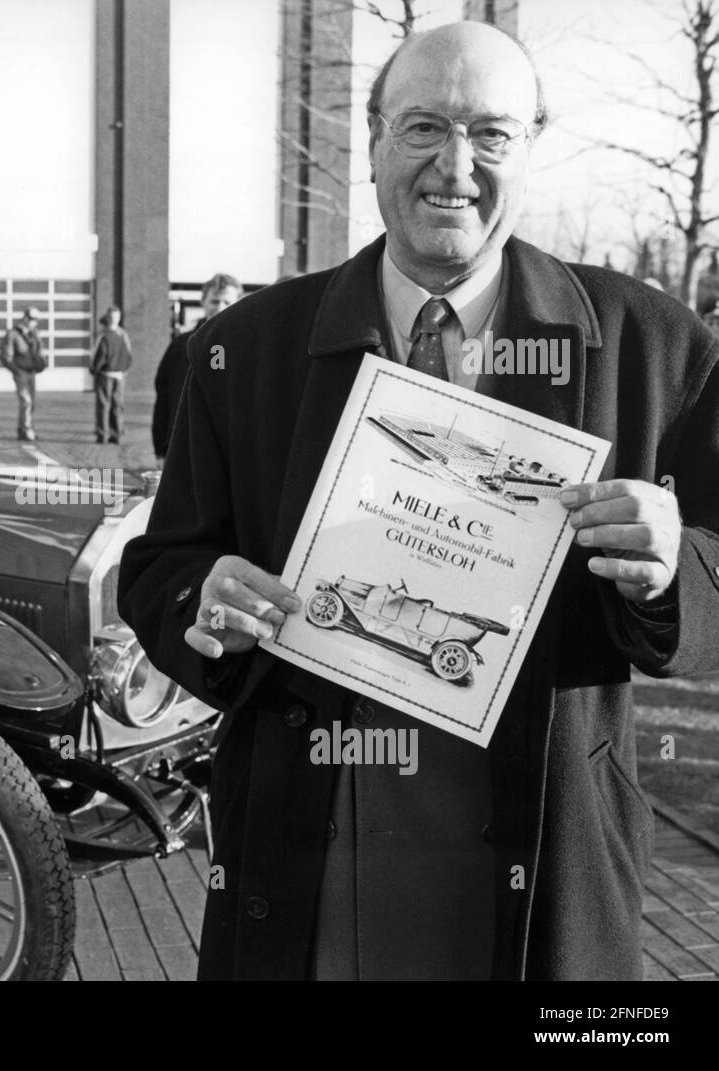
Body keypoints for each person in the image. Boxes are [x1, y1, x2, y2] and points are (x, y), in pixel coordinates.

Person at [118, 20, 719, 981]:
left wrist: (671, 564)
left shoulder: (655, 346)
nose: (457, 166)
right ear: (373, 142)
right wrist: (203, 602)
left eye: (492, 134)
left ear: (531, 147)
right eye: (424, 128)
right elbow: (159, 572)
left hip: (540, 870)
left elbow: (717, 573)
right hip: (314, 858)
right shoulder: (242, 351)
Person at [152, 273, 242, 460]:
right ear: (203, 302)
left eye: (227, 302)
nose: (219, 308)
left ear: (238, 304)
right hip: (183, 446)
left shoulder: (246, 348)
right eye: (214, 301)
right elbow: (164, 397)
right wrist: (161, 448)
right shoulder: (181, 346)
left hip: (229, 450)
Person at [0, 307, 46, 442]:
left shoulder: (34, 334)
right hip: (20, 373)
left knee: (32, 403)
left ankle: (23, 429)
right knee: (26, 401)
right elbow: (5, 356)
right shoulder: (13, 334)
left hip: (32, 372)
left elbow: (39, 351)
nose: (34, 322)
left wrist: (42, 363)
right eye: (32, 319)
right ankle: (26, 430)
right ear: (25, 318)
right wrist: (15, 370)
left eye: (36, 320)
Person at [90, 305, 132, 444]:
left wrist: (94, 369)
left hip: (106, 374)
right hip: (119, 375)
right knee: (117, 406)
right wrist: (123, 369)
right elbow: (128, 356)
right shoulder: (121, 336)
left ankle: (102, 434)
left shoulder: (105, 337)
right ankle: (117, 434)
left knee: (103, 405)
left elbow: (99, 356)